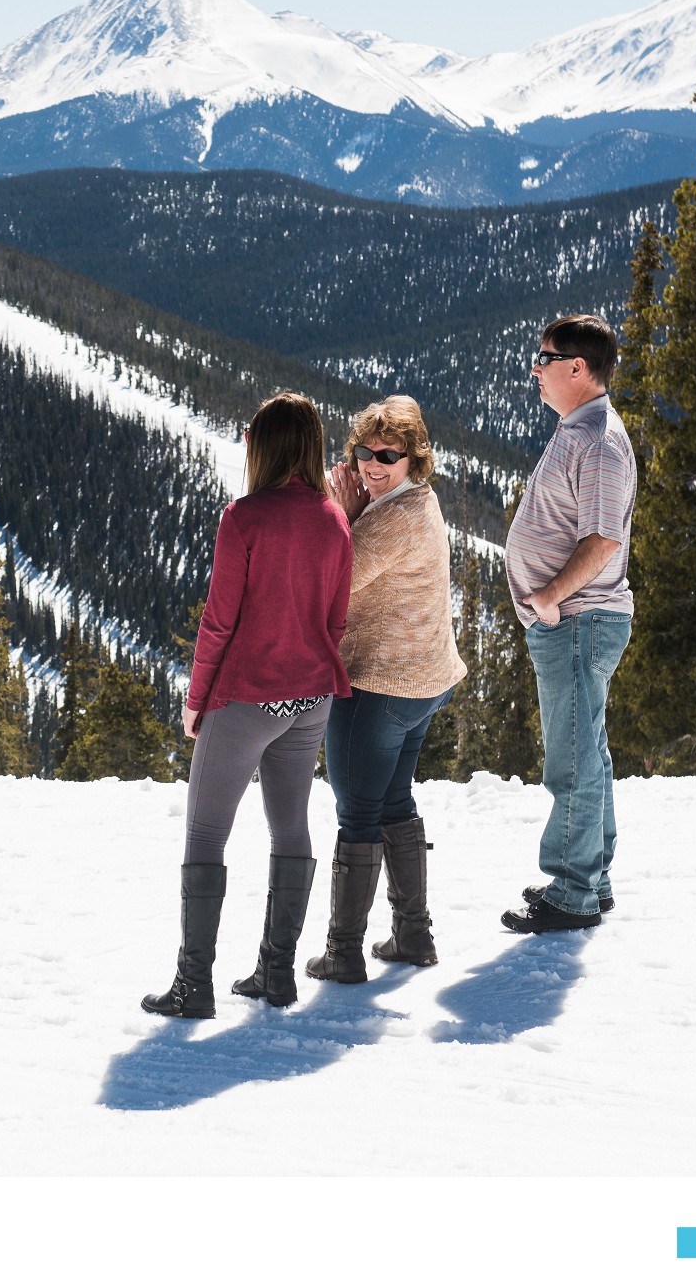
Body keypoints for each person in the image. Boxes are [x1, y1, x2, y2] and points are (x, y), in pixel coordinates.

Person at [140, 393, 353, 1020]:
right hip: (311, 697)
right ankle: (277, 973)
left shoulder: (244, 518)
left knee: (207, 833)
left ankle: (193, 985)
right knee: (291, 827)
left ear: (263, 447)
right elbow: (335, 620)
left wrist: (196, 698)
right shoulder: (334, 520)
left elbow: (217, 623)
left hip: (246, 699)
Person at [308, 397, 467, 982]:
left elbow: (330, 579)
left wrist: (341, 512)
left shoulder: (388, 517)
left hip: (377, 685)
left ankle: (344, 951)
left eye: (387, 455)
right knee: (394, 802)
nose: (372, 465)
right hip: (423, 684)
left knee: (357, 816)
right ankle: (413, 935)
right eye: (363, 453)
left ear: (413, 459)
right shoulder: (416, 503)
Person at [499, 314, 638, 934]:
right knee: (590, 752)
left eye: (545, 357)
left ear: (577, 368)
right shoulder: (578, 429)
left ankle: (574, 891)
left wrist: (551, 597)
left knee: (574, 758)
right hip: (572, 620)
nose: (535, 367)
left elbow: (604, 538)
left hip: (580, 619)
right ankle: (590, 878)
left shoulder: (600, 440)